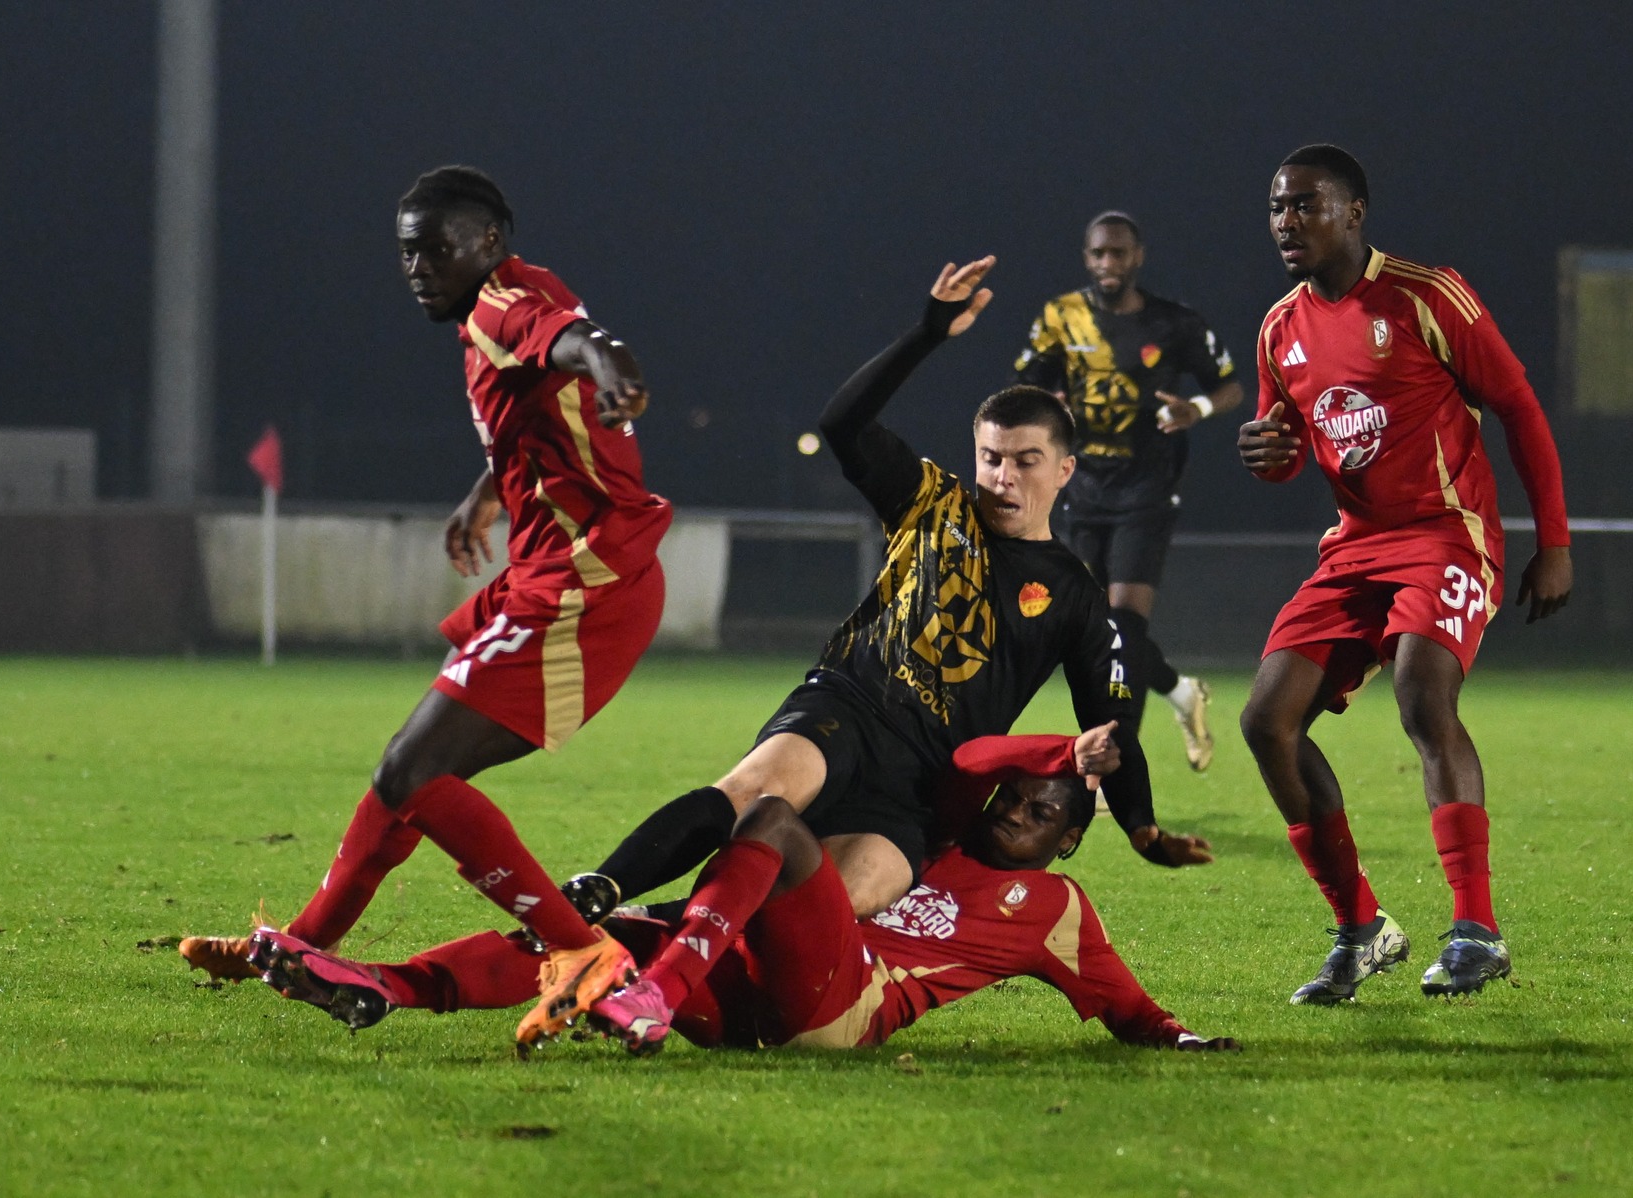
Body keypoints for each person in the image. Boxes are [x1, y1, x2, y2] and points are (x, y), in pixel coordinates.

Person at [563, 257, 1214, 968]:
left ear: (1064, 471)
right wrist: (928, 332)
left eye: (1026, 461)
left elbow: (1110, 726)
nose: (1004, 477)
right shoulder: (931, 499)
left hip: (924, 783)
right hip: (849, 707)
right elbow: (843, 423)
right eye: (992, 458)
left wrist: (1143, 828)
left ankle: (642, 926)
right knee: (758, 789)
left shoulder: (1077, 595)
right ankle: (598, 890)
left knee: (849, 896)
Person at [179, 165, 674, 1050]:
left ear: (488, 245)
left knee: (413, 770)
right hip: (564, 574)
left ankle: (580, 951)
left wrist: (615, 370)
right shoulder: (522, 290)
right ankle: (301, 949)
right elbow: (545, 387)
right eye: (406, 252)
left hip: (584, 581)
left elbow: (576, 348)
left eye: (434, 249)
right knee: (405, 778)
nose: (416, 268)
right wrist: (488, 491)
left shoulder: (499, 306)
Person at [245, 732, 1239, 1057]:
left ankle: (655, 993)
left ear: (1069, 838)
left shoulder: (1056, 907)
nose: (1008, 807)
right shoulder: (940, 827)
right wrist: (1057, 750)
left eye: (1034, 812)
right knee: (603, 931)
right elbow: (972, 754)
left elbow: (1123, 1007)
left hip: (843, 1003)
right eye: (1010, 798)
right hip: (754, 979)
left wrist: (1178, 1036)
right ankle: (378, 981)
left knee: (766, 822)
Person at [1234, 145, 1573, 1004]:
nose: (1286, 221)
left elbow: (1520, 405)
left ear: (1354, 211)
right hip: (1354, 547)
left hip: (1447, 534)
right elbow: (1295, 449)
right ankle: (1360, 928)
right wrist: (1266, 456)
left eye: (1306, 204)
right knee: (1266, 720)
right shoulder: (1280, 328)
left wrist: (1556, 541)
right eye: (1277, 207)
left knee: (1423, 691)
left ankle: (1476, 931)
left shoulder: (1427, 295)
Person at [1014, 212, 1244, 770]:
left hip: (1146, 488)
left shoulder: (1174, 323)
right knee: (1088, 631)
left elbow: (1231, 387)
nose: (1108, 264)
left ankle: (1113, 762)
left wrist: (1198, 408)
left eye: (1118, 254)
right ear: (1086, 258)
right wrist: (1050, 404)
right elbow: (1025, 379)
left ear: (1137, 257)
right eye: (1098, 255)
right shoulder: (1061, 317)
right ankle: (1180, 691)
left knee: (1124, 626)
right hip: (1082, 487)